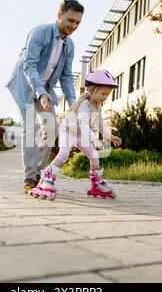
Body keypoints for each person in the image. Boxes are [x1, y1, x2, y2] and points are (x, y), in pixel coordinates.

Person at [6, 0, 84, 193]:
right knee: (30, 129)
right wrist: (40, 93)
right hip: (25, 86)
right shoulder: (39, 33)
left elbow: (66, 77)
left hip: (46, 90)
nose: (73, 26)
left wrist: (74, 105)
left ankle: (40, 174)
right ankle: (29, 178)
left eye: (77, 23)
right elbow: (29, 66)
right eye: (70, 20)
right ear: (59, 15)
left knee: (52, 129)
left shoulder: (70, 46)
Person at [29, 70, 122, 201]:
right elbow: (84, 124)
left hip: (80, 135)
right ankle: (46, 179)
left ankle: (96, 184)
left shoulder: (97, 106)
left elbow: (100, 124)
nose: (105, 97)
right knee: (64, 154)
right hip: (67, 132)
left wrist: (111, 136)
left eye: (107, 95)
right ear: (92, 90)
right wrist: (94, 139)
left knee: (94, 155)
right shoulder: (84, 104)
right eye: (103, 93)